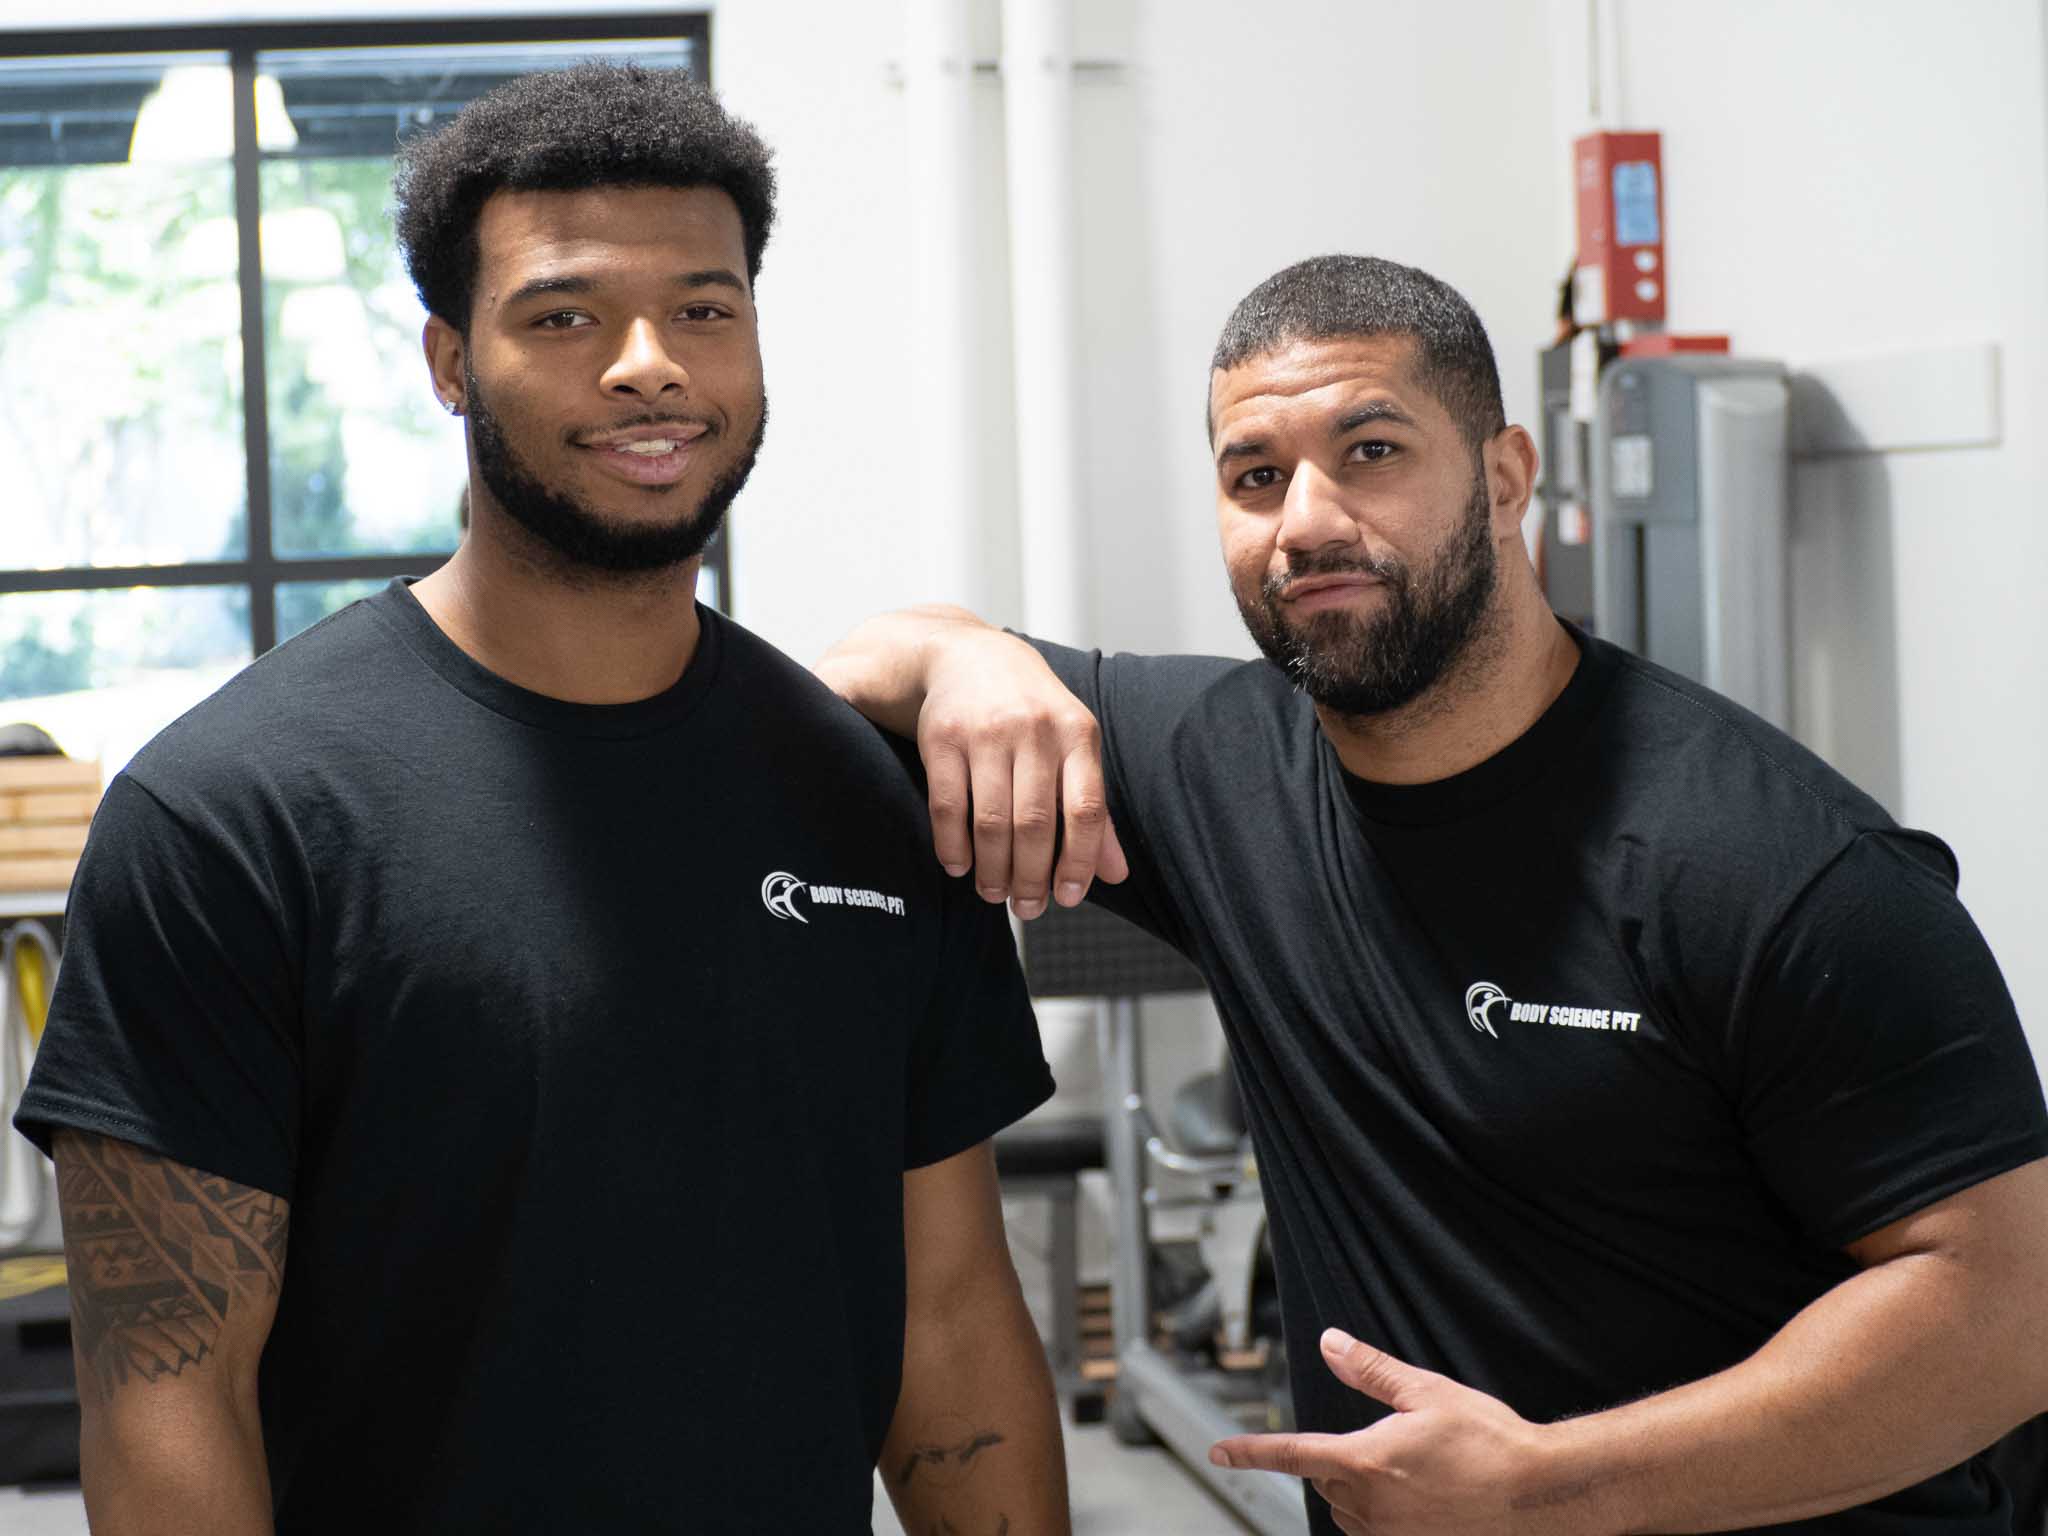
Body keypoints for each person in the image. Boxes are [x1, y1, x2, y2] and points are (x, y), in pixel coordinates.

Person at [816, 254, 2048, 1534]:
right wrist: (968, 656)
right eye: (1254, 477)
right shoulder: (1211, 765)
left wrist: (1547, 1490)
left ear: (1505, 478)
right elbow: (857, 666)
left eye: (1371, 452)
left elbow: (2010, 1313)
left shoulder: (1777, 867)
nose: (1304, 520)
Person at [13, 63, 1068, 1536]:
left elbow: (947, 1317)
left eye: (704, 311)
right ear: (450, 361)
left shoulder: (861, 796)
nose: (649, 365)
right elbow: (168, 1399)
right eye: (565, 316)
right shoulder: (229, 819)